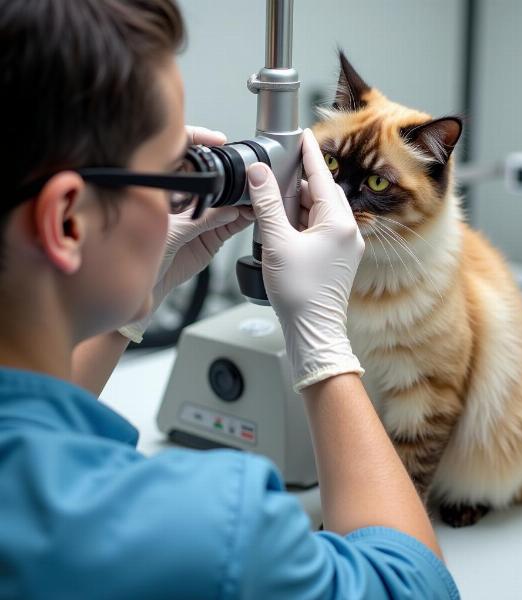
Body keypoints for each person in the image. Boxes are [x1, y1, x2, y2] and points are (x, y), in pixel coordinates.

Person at [0, 1, 459, 598]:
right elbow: (414, 584)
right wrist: (322, 346)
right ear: (67, 222)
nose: (192, 187)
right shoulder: (212, 528)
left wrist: (137, 303)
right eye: (176, 169)